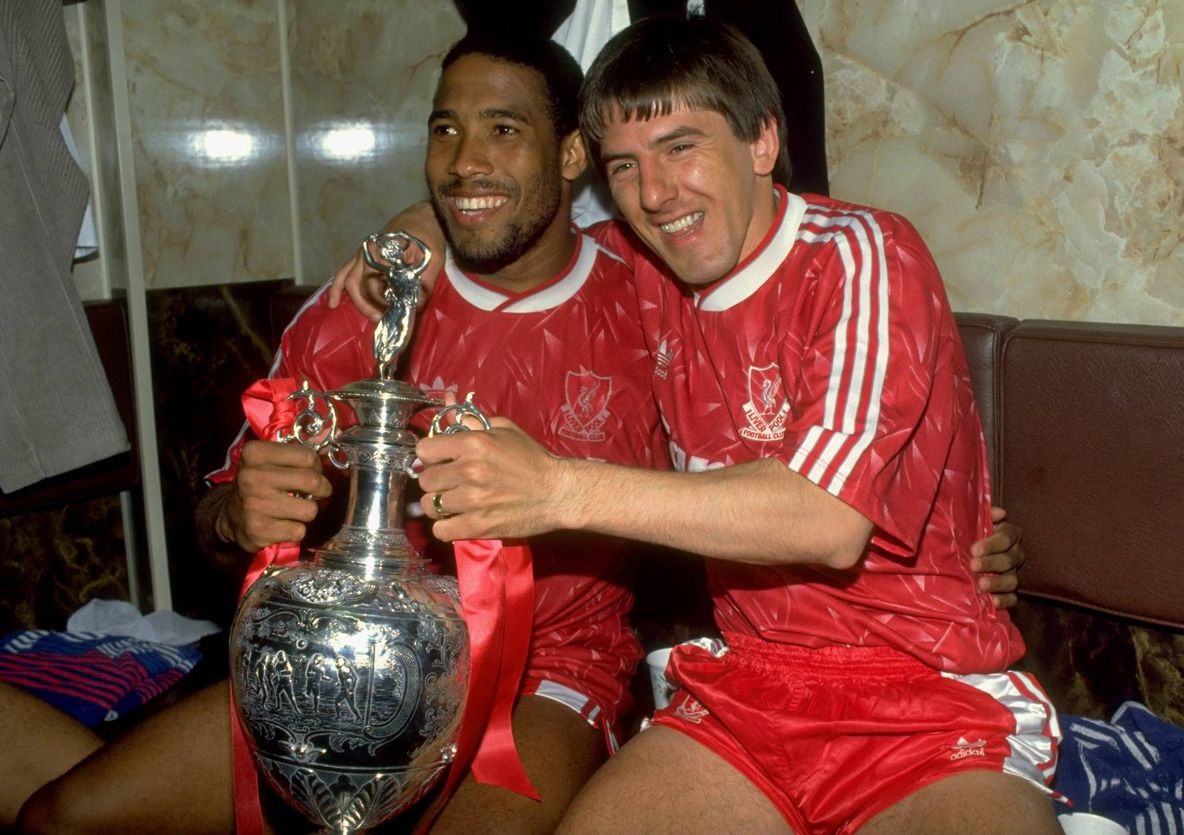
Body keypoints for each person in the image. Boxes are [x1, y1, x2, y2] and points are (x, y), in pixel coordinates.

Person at [10, 25, 1025, 835]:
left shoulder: (658, 286)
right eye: (445, 133)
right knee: (61, 814)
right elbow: (229, 495)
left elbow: (830, 492)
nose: (466, 163)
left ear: (566, 156)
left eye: (504, 131)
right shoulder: (386, 292)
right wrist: (236, 511)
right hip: (371, 649)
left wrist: (943, 523)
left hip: (574, 669)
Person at [348, 16, 1060, 834]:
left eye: (682, 146)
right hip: (752, 690)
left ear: (763, 140)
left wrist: (554, 486)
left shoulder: (861, 251)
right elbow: (521, 217)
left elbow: (826, 521)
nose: (656, 193)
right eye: (625, 165)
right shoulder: (643, 268)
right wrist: (425, 222)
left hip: (926, 695)